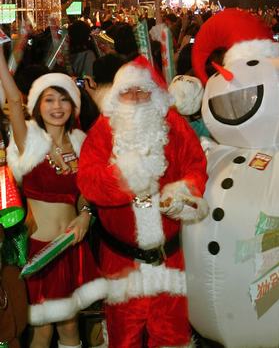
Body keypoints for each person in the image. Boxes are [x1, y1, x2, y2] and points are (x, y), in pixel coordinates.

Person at [77, 55, 209, 348]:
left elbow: (196, 167)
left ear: (155, 95)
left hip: (170, 259)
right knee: (124, 338)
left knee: (172, 338)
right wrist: (126, 175)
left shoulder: (173, 125)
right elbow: (88, 181)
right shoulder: (103, 130)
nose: (136, 97)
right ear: (117, 95)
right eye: (128, 91)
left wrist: (183, 192)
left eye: (143, 91)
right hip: (121, 262)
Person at [0, 45, 106, 348]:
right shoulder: (29, 140)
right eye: (49, 99)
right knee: (43, 331)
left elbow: (86, 195)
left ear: (73, 105)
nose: (57, 106)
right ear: (38, 105)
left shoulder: (82, 144)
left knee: (71, 328)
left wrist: (85, 215)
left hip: (72, 249)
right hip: (39, 252)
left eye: (63, 99)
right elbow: (13, 101)